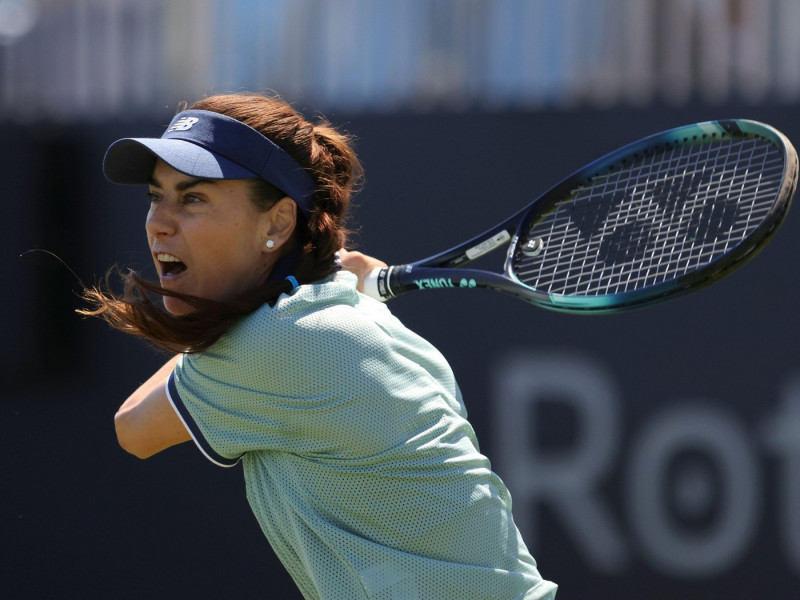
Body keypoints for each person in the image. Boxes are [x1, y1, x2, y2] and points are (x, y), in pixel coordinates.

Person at [82, 92, 558, 600]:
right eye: (157, 196)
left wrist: (252, 310)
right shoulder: (354, 317)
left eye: (193, 197)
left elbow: (134, 427)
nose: (159, 222)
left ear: (279, 224)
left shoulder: (278, 341)